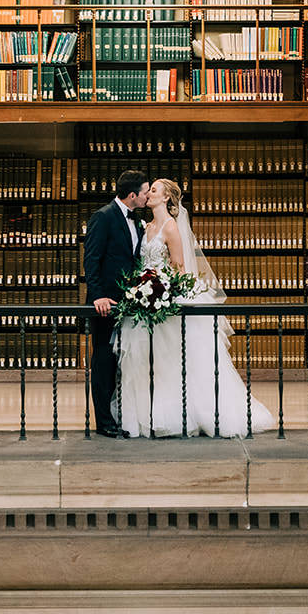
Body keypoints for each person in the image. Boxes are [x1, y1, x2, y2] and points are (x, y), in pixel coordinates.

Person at [115, 177, 274, 438]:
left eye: (154, 190)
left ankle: (181, 415)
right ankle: (148, 414)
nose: (149, 194)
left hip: (164, 301)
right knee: (148, 364)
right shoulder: (146, 227)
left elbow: (180, 270)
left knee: (173, 363)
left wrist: (162, 289)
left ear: (166, 197)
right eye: (149, 190)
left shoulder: (170, 228)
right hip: (145, 302)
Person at [83, 168, 147, 438]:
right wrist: (97, 295)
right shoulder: (104, 216)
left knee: (125, 362)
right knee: (104, 361)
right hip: (105, 303)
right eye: (144, 192)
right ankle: (103, 421)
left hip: (129, 304)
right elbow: (91, 258)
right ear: (132, 195)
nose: (146, 197)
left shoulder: (138, 221)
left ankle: (122, 414)